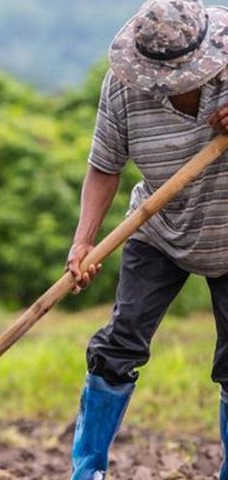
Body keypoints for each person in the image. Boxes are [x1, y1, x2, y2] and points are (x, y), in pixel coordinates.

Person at [66, 0, 228, 478]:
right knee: (119, 344)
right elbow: (103, 166)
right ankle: (87, 470)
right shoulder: (122, 87)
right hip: (158, 229)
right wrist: (83, 243)